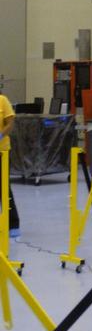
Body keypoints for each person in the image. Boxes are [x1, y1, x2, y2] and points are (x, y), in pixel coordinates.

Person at [0, 91, 20, 237]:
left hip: (2, 152)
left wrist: (0, 135)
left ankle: (13, 223)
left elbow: (10, 123)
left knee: (4, 188)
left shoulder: (2, 100)